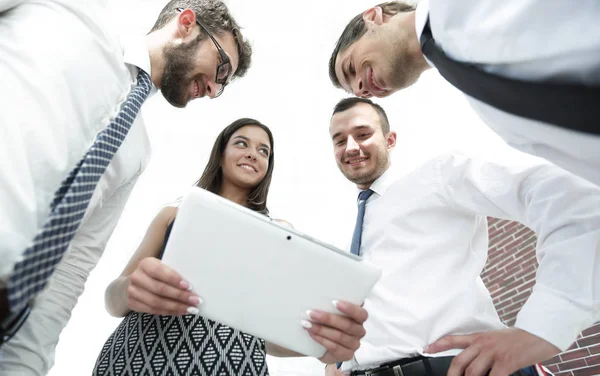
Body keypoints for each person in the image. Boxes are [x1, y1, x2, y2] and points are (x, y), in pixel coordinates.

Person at [0, 0, 252, 373]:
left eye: (222, 87)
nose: (213, 89)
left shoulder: (136, 152)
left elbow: (71, 267)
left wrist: (25, 365)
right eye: (221, 68)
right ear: (186, 23)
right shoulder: (70, 12)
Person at [324, 97, 600, 376]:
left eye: (363, 134)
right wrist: (337, 363)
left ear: (390, 139)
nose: (350, 147)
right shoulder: (345, 237)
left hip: (452, 367)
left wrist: (541, 327)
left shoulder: (438, 176)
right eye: (339, 140)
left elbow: (565, 195)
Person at [92, 118, 368, 376]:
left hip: (233, 362)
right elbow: (112, 301)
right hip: (140, 354)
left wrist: (320, 349)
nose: (252, 153)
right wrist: (130, 290)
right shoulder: (174, 215)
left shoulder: (280, 233)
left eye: (263, 151)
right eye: (241, 143)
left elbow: (269, 336)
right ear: (221, 154)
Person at [327, 0, 600, 187]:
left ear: (373, 17)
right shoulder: (493, 115)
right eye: (359, 92)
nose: (361, 89)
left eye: (350, 67)